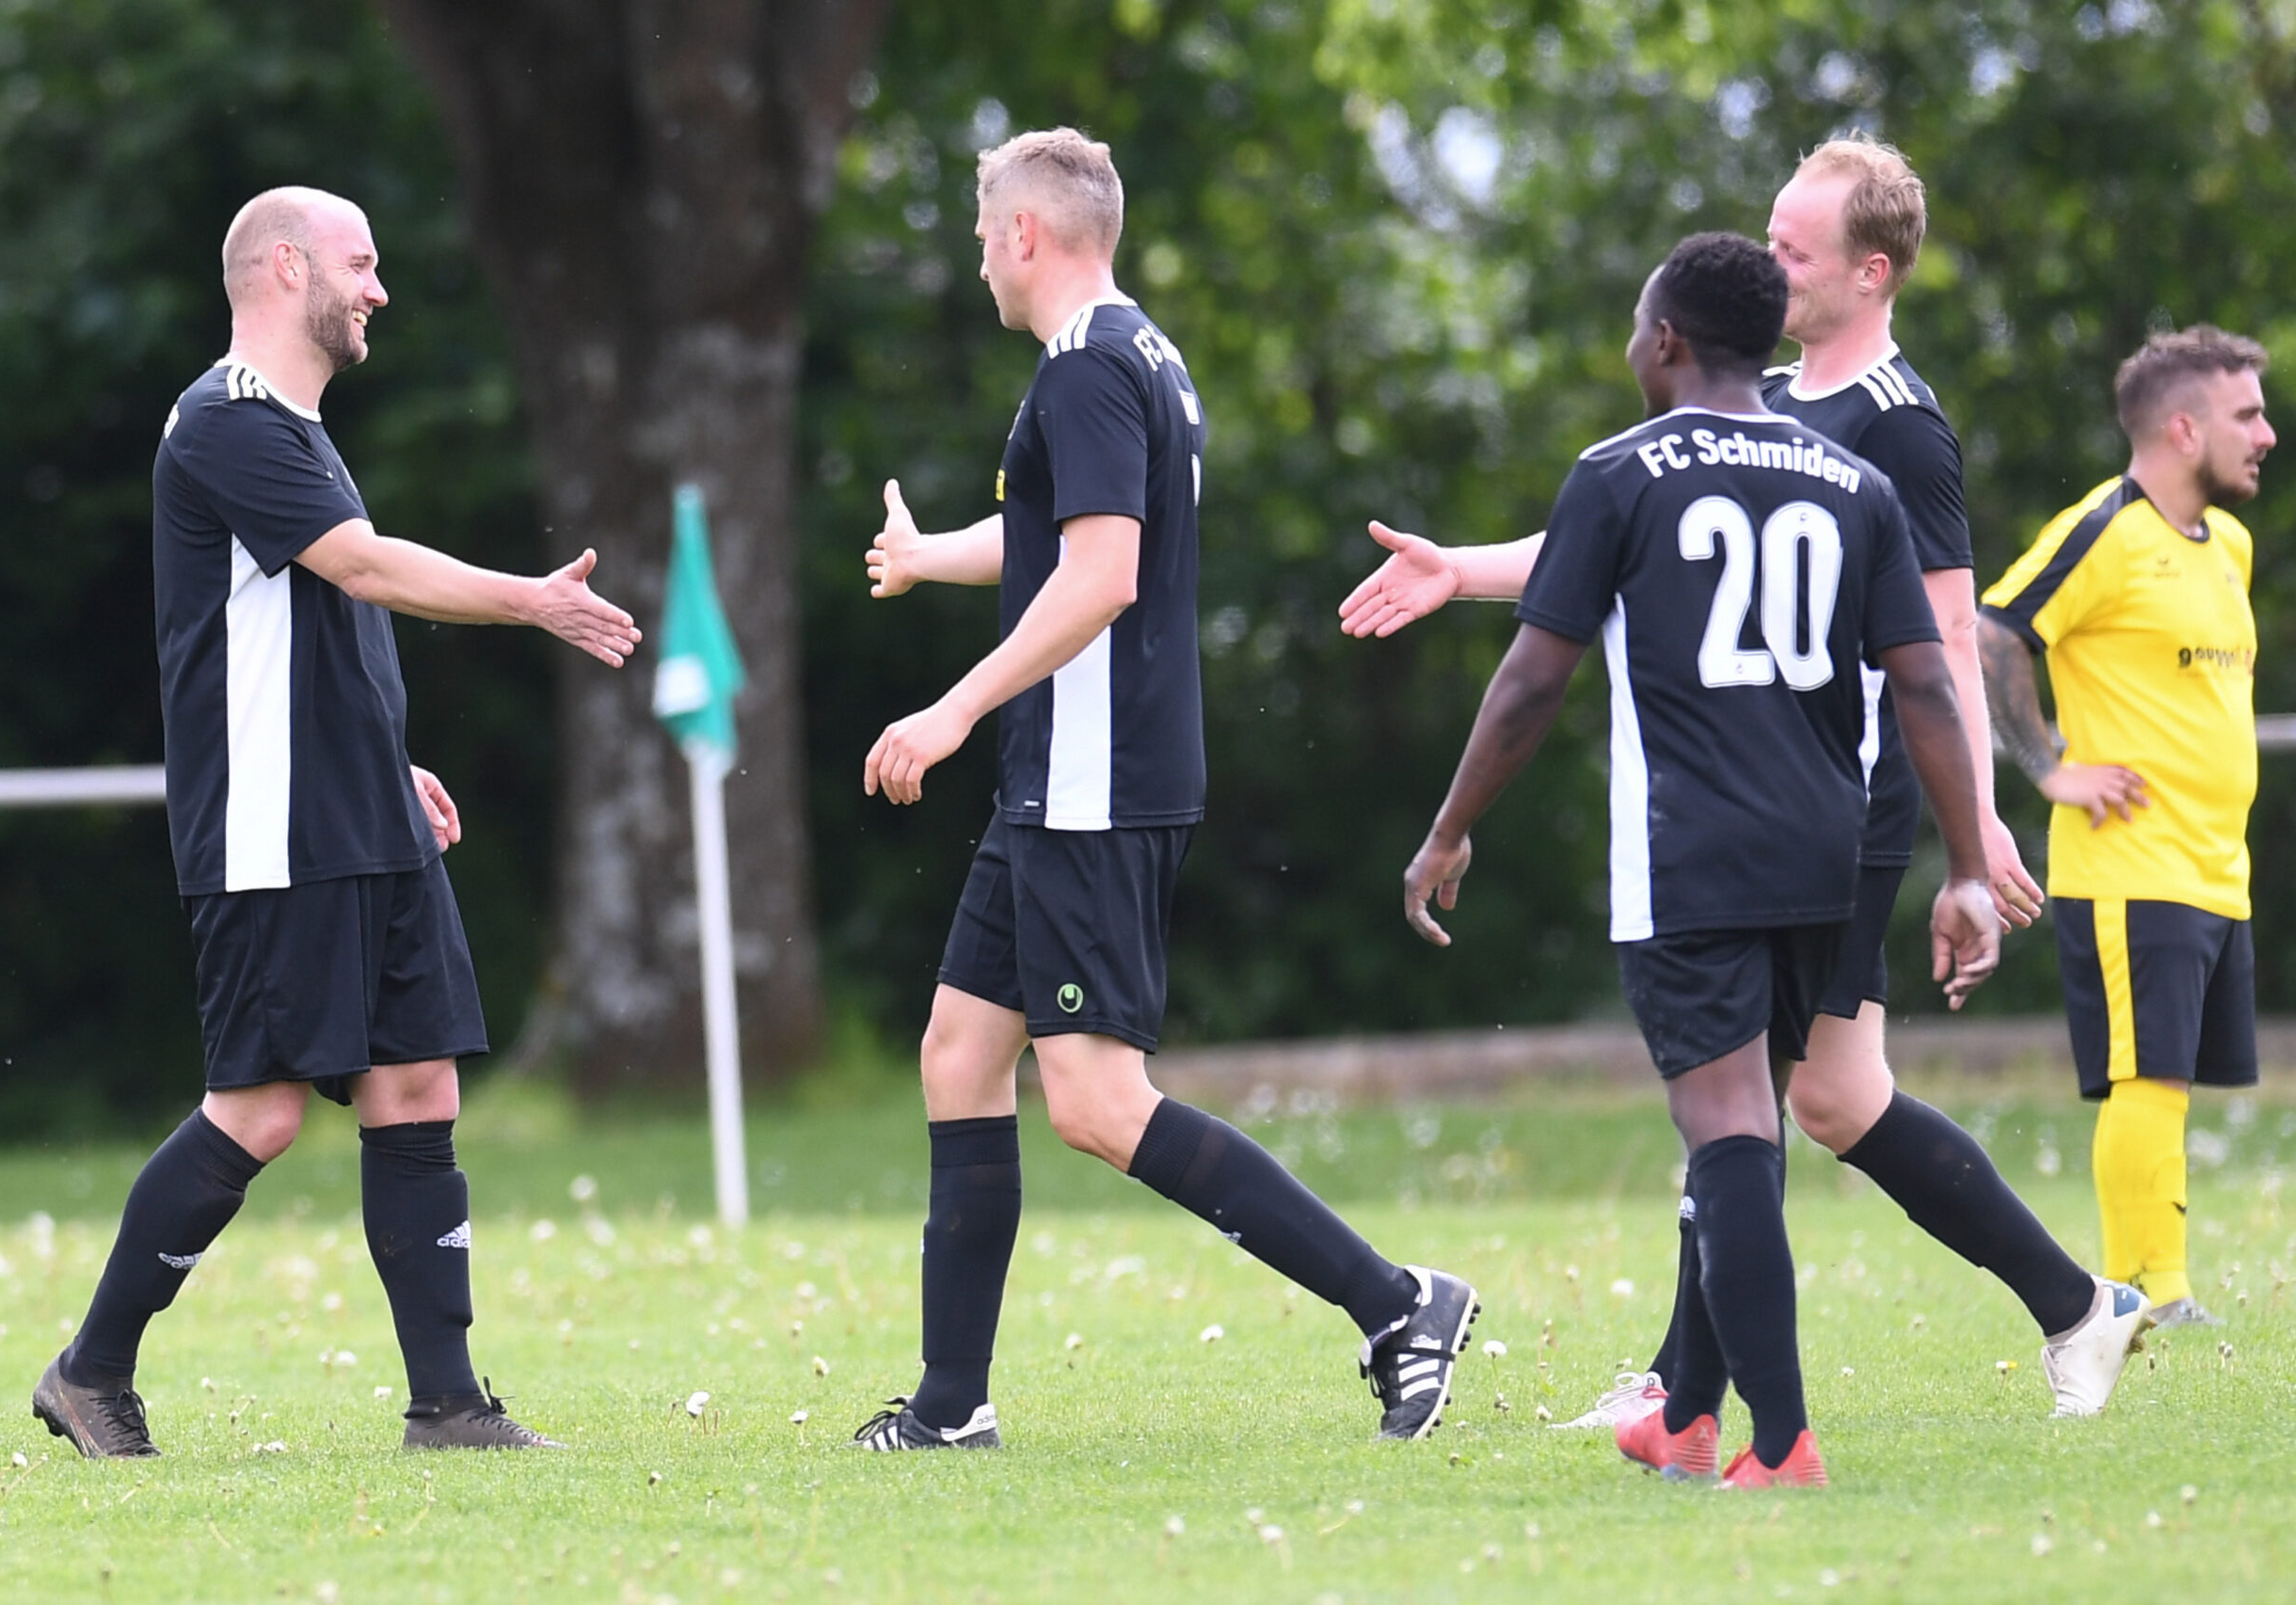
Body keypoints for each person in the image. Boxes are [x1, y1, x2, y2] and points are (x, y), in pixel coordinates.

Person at [1341, 136, 2145, 1422]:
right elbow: (1608, 529)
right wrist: (1460, 568)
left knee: (1761, 1088)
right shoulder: (1765, 391)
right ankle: (2062, 1305)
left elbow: (1942, 640)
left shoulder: (1901, 426)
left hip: (1850, 789)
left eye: (1795, 246)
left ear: (1870, 271)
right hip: (1787, 793)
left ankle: (1698, 1391)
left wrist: (1977, 833)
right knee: (1809, 1092)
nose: (1771, 257)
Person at [852, 128, 1477, 1451]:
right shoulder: (1138, 353)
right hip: (1060, 783)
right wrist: (929, 555)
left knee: (1094, 1099)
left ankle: (1398, 1302)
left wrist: (953, 707)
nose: (979, 260)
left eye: (982, 236)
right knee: (961, 1056)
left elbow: (1102, 574)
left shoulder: (1083, 368)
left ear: (1026, 233)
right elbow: (1048, 539)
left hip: (1095, 783)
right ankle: (951, 1406)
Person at [31, 186, 641, 1458]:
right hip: (274, 832)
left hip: (362, 811)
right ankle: (90, 1371)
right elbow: (362, 568)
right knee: (256, 1109)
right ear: (289, 266)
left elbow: (313, 627)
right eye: (361, 266)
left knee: (415, 1082)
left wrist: (390, 760)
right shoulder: (224, 421)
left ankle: (448, 1405)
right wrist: (529, 600)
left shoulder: (300, 430)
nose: (378, 290)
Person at [1404, 230, 2002, 1486]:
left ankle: (1778, 1445)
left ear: (1668, 340)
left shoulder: (1621, 474)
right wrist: (1959, 862)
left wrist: (1452, 825)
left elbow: (1530, 681)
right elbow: (1930, 690)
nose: (1632, 347)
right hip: (1828, 850)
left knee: (1729, 1127)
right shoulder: (1850, 482)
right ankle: (1684, 1417)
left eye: (1635, 327)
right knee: (1755, 1119)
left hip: (1693, 853)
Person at [1979, 326, 2273, 1329]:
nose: (2266, 434)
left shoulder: (2226, 543)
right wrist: (2049, 765)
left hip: (2213, 864)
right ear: (2182, 427)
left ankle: (2158, 1277)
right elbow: (1996, 628)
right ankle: (2148, 1290)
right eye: (2246, 415)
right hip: (2128, 863)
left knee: (2172, 1078)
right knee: (2142, 1075)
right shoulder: (2101, 530)